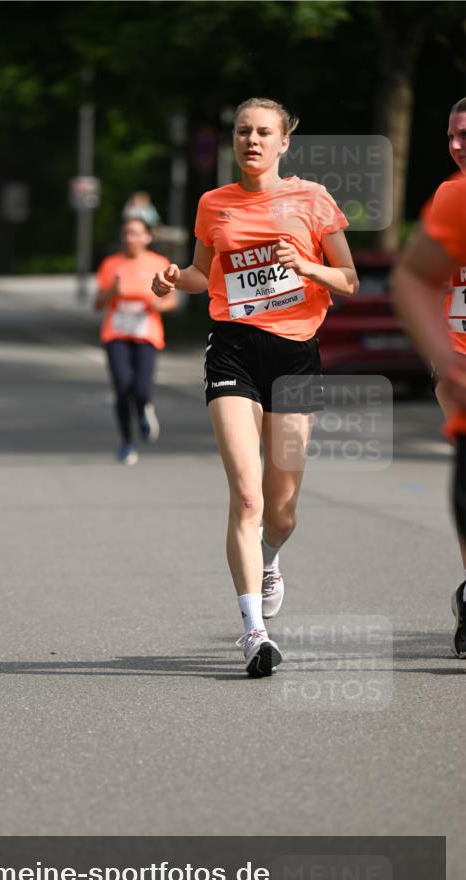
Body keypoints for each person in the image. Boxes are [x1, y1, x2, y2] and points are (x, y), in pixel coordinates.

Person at [152, 97, 358, 676]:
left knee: (283, 511)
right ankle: (255, 632)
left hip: (294, 354)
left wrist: (309, 268)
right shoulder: (213, 203)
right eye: (243, 131)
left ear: (284, 141)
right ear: (232, 139)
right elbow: (200, 272)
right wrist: (175, 278)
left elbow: (348, 278)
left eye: (264, 132)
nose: (252, 140)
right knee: (246, 495)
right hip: (233, 348)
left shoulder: (312, 198)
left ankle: (270, 558)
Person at [392, 172, 466, 657]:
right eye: (454, 135)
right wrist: (444, 359)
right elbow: (415, 278)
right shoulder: (453, 197)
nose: (460, 143)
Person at [95, 217, 178, 464]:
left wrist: (159, 304)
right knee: (122, 388)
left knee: (141, 389)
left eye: (137, 233)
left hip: (146, 333)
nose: (131, 238)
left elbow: (172, 300)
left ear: (147, 237)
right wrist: (112, 293)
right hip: (116, 333)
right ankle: (127, 443)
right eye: (127, 233)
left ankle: (143, 408)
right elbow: (97, 303)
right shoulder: (111, 264)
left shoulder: (159, 263)